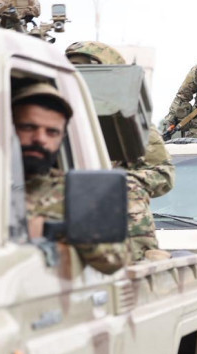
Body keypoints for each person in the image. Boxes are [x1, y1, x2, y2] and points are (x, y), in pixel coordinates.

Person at [66, 41, 175, 262]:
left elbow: (163, 174)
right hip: (61, 195)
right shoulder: (46, 115)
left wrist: (120, 181)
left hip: (113, 209)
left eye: (87, 70)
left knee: (124, 187)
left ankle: (141, 257)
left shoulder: (132, 125)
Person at [13, 82, 126, 274]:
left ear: (61, 137)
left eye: (52, 132)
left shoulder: (75, 192)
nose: (40, 138)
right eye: (29, 127)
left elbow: (115, 260)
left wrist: (63, 230)